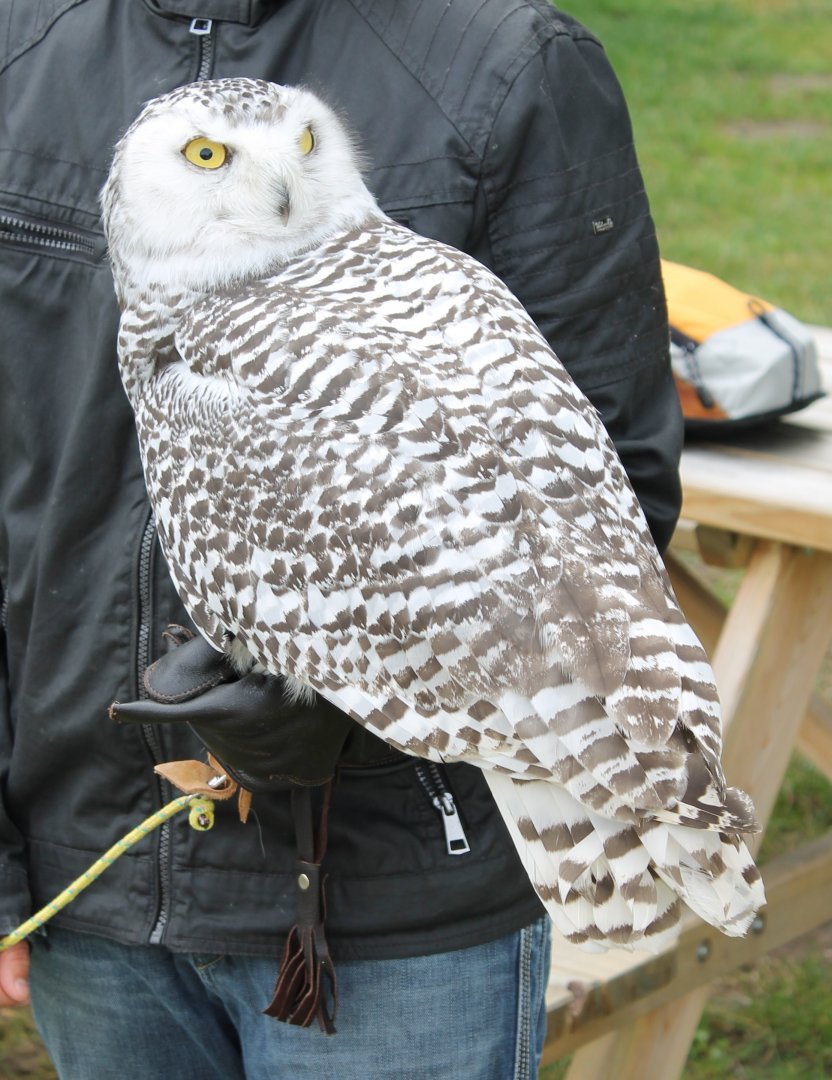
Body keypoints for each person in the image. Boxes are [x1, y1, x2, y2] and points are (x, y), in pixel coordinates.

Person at [0, 1, 683, 1076]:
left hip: (400, 884)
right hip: (90, 856)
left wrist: (364, 675)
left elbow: (605, 494)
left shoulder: (503, 63)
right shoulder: (20, 48)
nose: (270, 189)